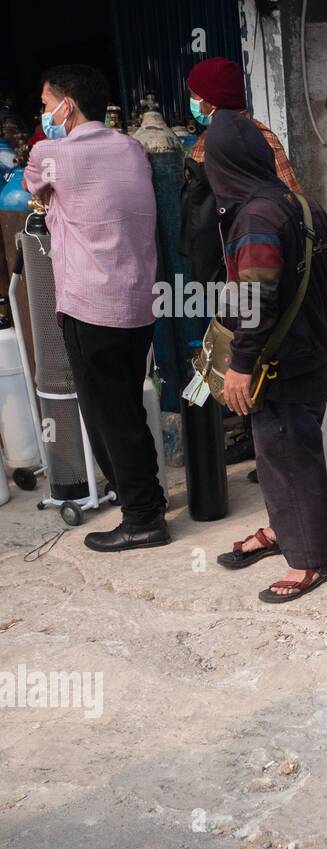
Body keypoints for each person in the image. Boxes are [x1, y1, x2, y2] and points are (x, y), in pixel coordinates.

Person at [23, 64, 169, 552]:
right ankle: (147, 500)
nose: (44, 115)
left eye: (46, 105)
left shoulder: (50, 152)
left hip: (90, 305)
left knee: (110, 417)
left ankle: (143, 518)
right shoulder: (131, 148)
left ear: (67, 105)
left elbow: (30, 189)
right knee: (126, 406)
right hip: (138, 302)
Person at [204, 112, 327, 602]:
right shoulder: (299, 204)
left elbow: (258, 298)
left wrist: (240, 363)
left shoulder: (256, 217)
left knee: (288, 458)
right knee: (281, 453)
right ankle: (288, 531)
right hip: (309, 356)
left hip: (280, 366)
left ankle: (311, 560)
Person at [180, 56, 302, 473]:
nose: (193, 102)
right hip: (236, 265)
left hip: (250, 264)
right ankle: (257, 438)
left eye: (196, 94)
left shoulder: (238, 140)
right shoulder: (238, 137)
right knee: (239, 347)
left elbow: (283, 206)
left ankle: (265, 440)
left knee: (251, 348)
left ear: (210, 99)